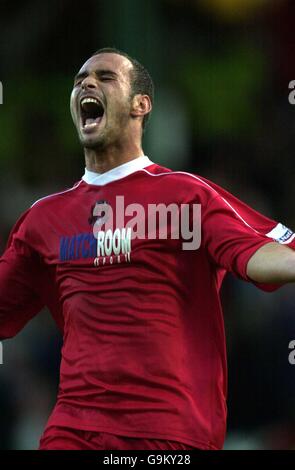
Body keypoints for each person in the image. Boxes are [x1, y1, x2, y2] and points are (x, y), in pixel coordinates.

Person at [1, 47, 295, 451]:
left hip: (168, 433)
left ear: (141, 105)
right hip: (72, 430)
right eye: (79, 80)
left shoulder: (184, 194)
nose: (86, 83)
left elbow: (258, 257)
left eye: (105, 78)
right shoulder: (41, 219)